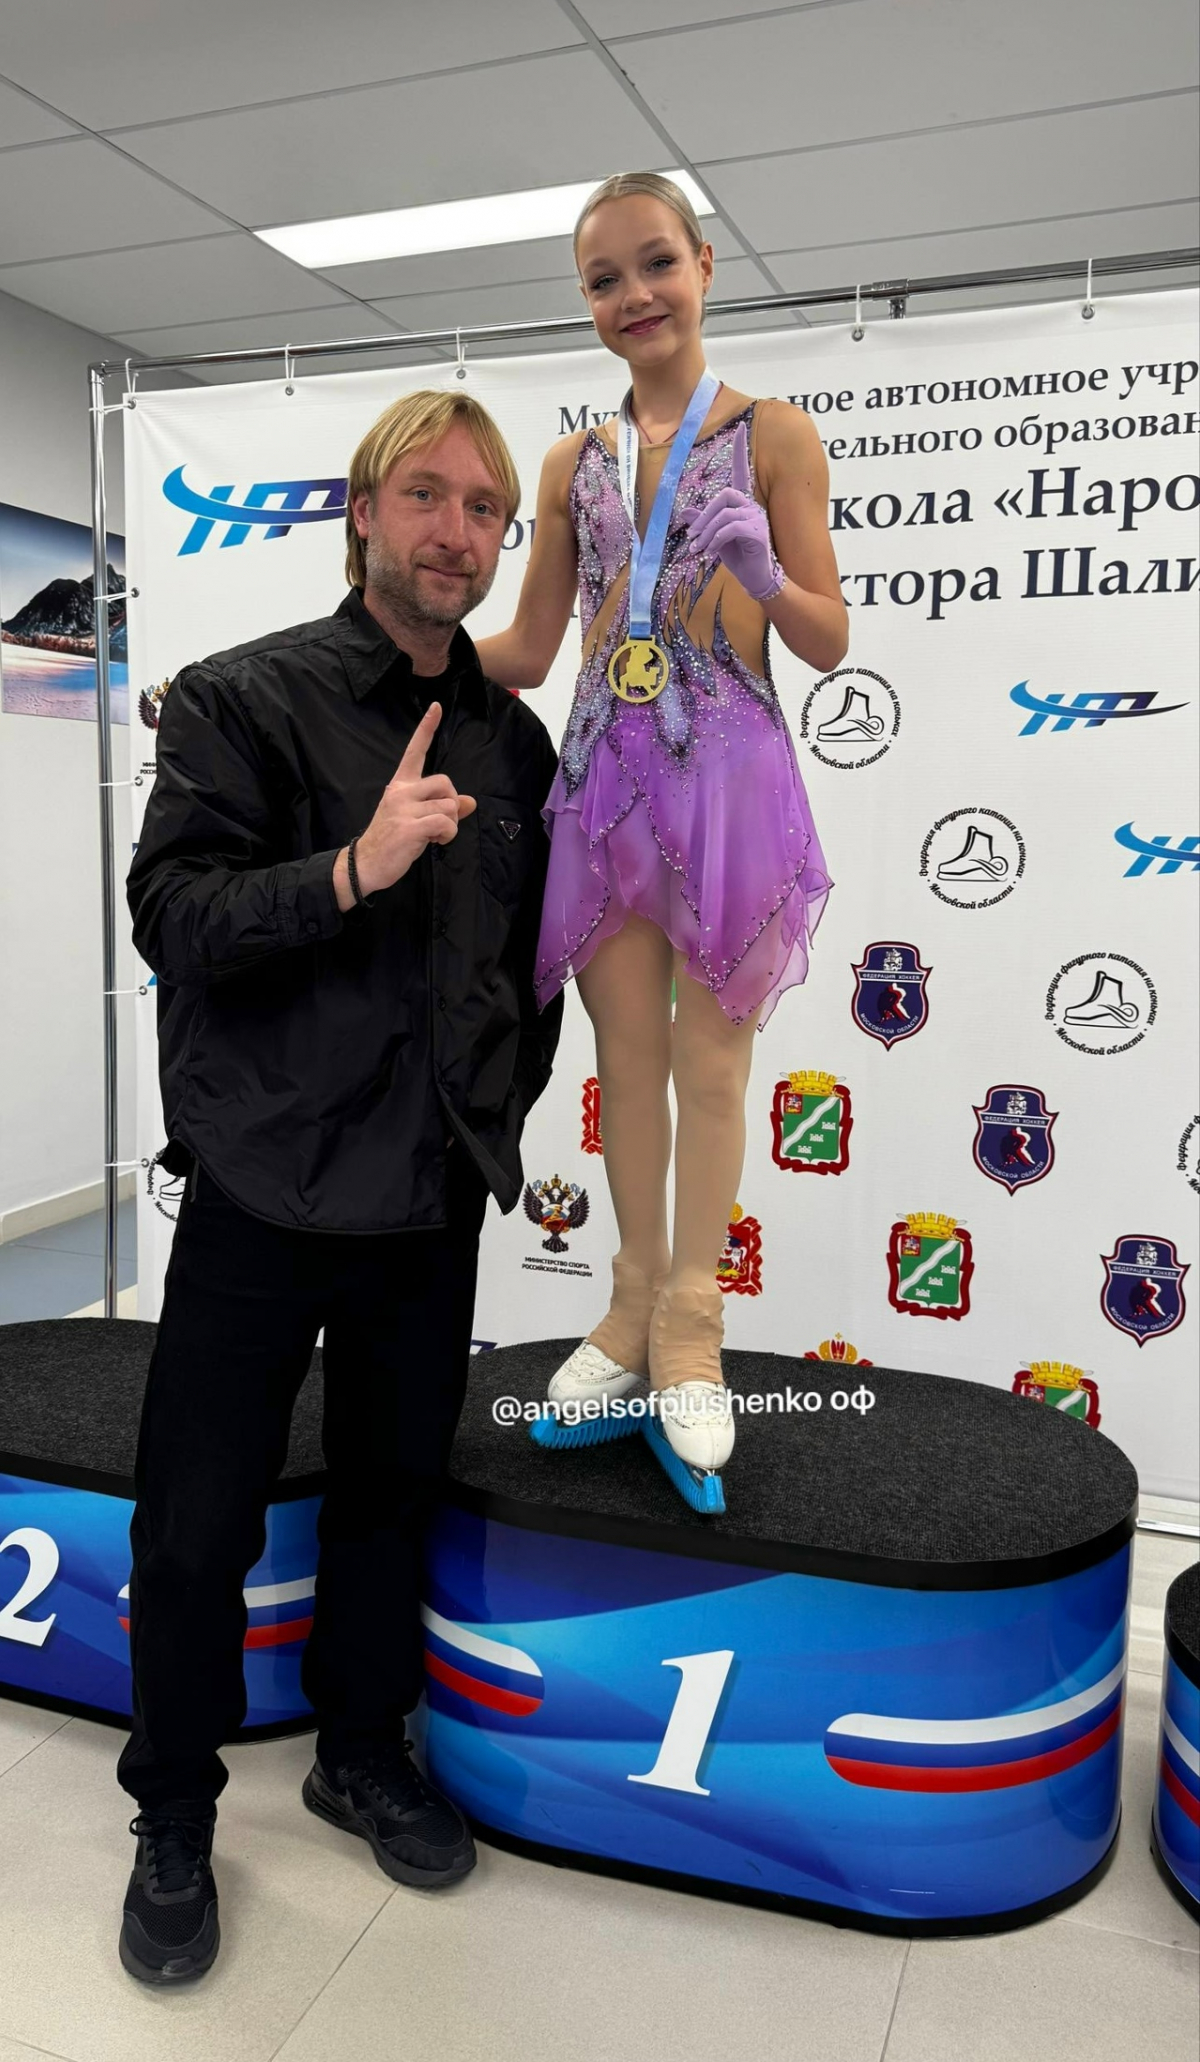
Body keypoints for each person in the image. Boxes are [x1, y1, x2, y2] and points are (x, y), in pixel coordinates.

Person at [117, 389, 562, 1984]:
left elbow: (524, 970)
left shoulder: (515, 742)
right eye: (426, 495)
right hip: (262, 1189)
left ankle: (360, 1748)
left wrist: (489, 1120)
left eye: (485, 509)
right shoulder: (241, 699)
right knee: (196, 1524)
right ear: (362, 512)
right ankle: (174, 1809)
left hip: (425, 1201)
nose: (456, 532)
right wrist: (352, 869)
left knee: (389, 1498)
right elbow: (172, 914)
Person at [475, 172, 848, 1481]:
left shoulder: (776, 436)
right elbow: (532, 646)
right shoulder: (570, 464)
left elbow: (828, 639)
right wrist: (385, 645)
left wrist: (767, 576)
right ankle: (628, 1306)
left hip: (728, 785)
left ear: (704, 265)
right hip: (602, 786)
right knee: (623, 1065)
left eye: (655, 264)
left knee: (714, 1072)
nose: (634, 295)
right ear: (585, 301)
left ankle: (693, 1326)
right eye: (603, 279)